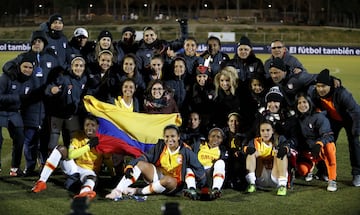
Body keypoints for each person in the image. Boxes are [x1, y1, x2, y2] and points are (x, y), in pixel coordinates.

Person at [3, 30, 62, 175]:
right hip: (29, 105)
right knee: (29, 138)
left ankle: (44, 164)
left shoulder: (51, 58)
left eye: (40, 42)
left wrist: (53, 89)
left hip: (48, 104)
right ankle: (29, 167)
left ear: (44, 43)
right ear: (31, 44)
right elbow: (7, 66)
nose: (37, 44)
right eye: (34, 42)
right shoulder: (23, 57)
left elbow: (58, 75)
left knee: (45, 138)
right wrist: (9, 71)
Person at [105, 124, 206, 200]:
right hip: (158, 175)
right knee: (140, 164)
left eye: (172, 136)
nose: (169, 139)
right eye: (167, 136)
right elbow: (144, 157)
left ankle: (137, 191)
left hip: (174, 184)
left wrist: (200, 184)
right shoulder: (160, 146)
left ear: (178, 137)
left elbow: (198, 167)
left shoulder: (186, 151)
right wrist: (130, 165)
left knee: (167, 179)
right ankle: (118, 190)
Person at [309, 69, 360, 187]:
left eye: (323, 86)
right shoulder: (314, 93)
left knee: (354, 144)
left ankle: (357, 174)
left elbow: (356, 111)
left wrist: (356, 130)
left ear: (330, 85)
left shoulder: (342, 93)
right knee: (327, 144)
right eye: (318, 86)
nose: (320, 89)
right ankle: (324, 171)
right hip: (333, 120)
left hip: (349, 120)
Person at [0, 53, 36, 176]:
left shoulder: (30, 82)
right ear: (19, 66)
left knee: (20, 138)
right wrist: (17, 98)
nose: (27, 70)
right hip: (0, 111)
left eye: (30, 68)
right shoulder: (6, 77)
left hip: (14, 112)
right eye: (25, 67)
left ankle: (14, 168)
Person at [295, 93, 337, 192]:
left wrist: (319, 144)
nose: (302, 105)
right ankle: (310, 169)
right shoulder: (297, 119)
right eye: (299, 103)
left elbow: (329, 135)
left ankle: (332, 179)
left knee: (329, 147)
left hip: (320, 150)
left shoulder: (319, 117)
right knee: (302, 170)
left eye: (304, 102)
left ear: (309, 103)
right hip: (308, 152)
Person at [44, 56, 87, 150]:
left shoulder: (85, 79)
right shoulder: (63, 78)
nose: (78, 68)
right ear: (71, 66)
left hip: (73, 116)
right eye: (76, 65)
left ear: (84, 67)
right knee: (53, 142)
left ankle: (68, 163)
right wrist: (51, 90)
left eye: (81, 66)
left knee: (72, 144)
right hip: (58, 115)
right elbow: (49, 88)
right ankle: (50, 163)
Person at [244, 119, 290, 196]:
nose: (265, 133)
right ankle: (251, 183)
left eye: (268, 130)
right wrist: (248, 149)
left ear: (273, 131)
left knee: (280, 154)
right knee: (251, 153)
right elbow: (245, 149)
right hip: (261, 176)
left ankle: (282, 185)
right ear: (259, 132)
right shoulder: (255, 142)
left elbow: (288, 148)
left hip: (276, 176)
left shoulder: (279, 139)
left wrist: (284, 150)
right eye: (263, 130)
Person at [184, 127, 227, 200]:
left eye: (218, 137)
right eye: (213, 136)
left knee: (220, 163)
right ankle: (192, 189)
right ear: (208, 137)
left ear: (222, 140)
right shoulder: (199, 145)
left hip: (210, 174)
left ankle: (216, 189)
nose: (215, 138)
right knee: (188, 165)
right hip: (197, 173)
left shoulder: (222, 150)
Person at [222, 112, 247, 190]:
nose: (234, 123)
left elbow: (245, 147)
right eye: (231, 121)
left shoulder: (244, 136)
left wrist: (240, 152)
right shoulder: (223, 134)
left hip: (239, 158)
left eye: (236, 121)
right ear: (228, 122)